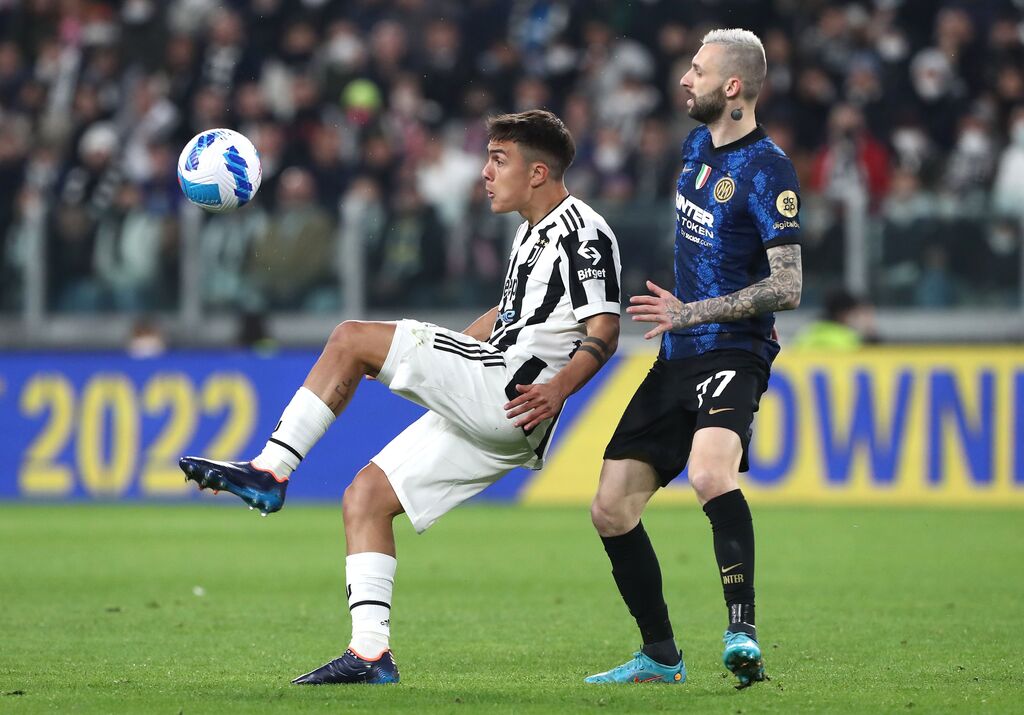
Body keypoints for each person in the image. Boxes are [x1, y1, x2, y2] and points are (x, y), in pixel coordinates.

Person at [178, 109, 622, 685]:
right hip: (504, 406)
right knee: (365, 495)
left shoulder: (584, 231)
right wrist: (448, 354)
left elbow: (604, 328)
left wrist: (558, 388)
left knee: (350, 339)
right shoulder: (532, 232)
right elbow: (512, 315)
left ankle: (271, 470)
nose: (485, 172)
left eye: (498, 159)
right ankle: (370, 655)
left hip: (511, 388)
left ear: (538, 172)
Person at [584, 29, 802, 689]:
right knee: (610, 508)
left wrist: (695, 312)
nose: (685, 78)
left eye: (698, 70)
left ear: (732, 86)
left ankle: (743, 632)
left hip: (733, 348)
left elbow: (788, 286)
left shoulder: (768, 168)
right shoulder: (693, 147)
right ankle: (660, 654)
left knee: (711, 473)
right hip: (676, 355)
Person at [792, 289, 875, 349]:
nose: (857, 319)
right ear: (843, 315)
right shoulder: (850, 340)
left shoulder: (806, 334)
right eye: (855, 315)